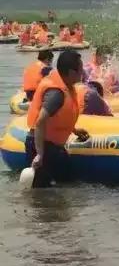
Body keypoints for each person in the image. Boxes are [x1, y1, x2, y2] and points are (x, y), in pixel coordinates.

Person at [25, 50, 90, 188]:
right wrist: (40, 154)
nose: (83, 72)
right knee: (48, 190)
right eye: (80, 69)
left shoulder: (65, 86)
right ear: (71, 72)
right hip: (42, 146)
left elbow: (57, 117)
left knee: (63, 185)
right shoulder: (57, 93)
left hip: (51, 146)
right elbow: (40, 121)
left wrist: (74, 130)